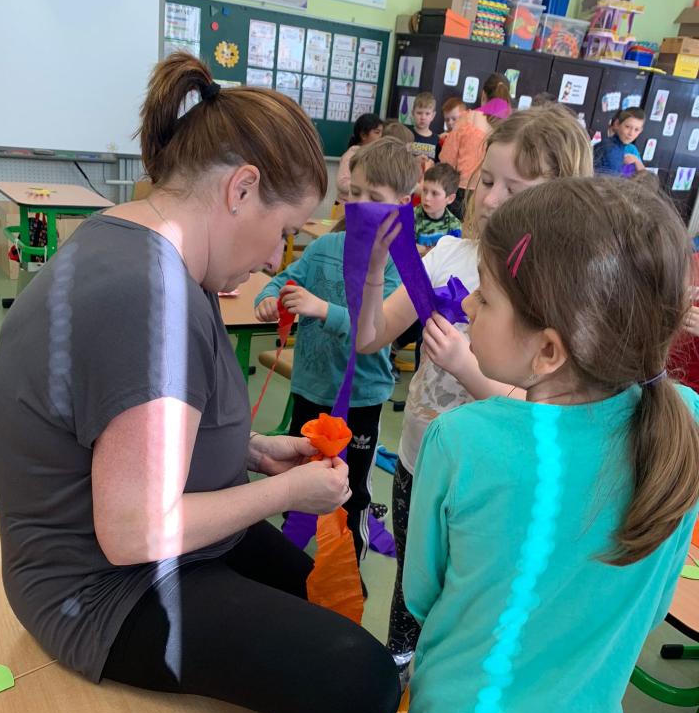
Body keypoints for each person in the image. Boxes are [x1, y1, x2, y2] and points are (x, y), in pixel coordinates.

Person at [0, 52, 400, 713]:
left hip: (143, 549)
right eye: (282, 231)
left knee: (316, 593)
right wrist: (286, 492)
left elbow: (131, 426)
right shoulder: (149, 297)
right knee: (366, 683)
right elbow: (132, 531)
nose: (275, 258)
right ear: (240, 189)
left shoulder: (146, 247)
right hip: (100, 592)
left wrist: (254, 450)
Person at [376, 175, 699, 713]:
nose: (468, 313)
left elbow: (421, 596)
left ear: (548, 350)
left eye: (484, 300)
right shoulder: (685, 424)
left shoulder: (463, 440)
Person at [355, 106, 593, 683]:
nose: (490, 200)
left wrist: (467, 368)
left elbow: (548, 412)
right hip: (419, 462)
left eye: (515, 189)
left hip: (492, 480)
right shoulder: (449, 256)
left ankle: (442, 690)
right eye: (486, 180)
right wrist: (376, 266)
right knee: (410, 590)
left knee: (469, 602)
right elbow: (369, 337)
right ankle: (396, 680)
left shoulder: (558, 293)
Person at [254, 138, 417, 562]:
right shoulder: (325, 247)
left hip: (360, 400)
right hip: (311, 389)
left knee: (351, 490)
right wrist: (269, 298)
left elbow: (377, 329)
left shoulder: (400, 265)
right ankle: (291, 556)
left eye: (374, 197)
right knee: (298, 474)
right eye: (354, 193)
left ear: (401, 205)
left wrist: (322, 309)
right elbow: (284, 280)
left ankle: (349, 568)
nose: (359, 205)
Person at [439, 73, 513, 212]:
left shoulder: (469, 118)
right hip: (494, 194)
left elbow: (447, 159)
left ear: (483, 94)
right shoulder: (511, 126)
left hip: (462, 191)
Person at [336, 112, 384, 202]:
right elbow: (342, 182)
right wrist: (366, 187)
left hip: (359, 205)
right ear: (363, 135)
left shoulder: (374, 155)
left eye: (382, 133)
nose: (381, 136)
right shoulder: (351, 155)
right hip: (344, 206)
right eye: (377, 132)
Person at [414, 162, 461, 248]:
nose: (427, 198)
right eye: (424, 190)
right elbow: (403, 248)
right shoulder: (411, 217)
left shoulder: (454, 226)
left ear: (450, 199)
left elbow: (451, 253)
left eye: (434, 193)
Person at [593, 107, 645, 175]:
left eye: (636, 130)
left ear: (640, 131)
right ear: (617, 124)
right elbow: (610, 181)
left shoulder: (622, 148)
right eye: (627, 127)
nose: (631, 133)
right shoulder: (610, 149)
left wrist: (636, 161)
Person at [409, 92, 441, 164]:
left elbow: (438, 165)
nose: (423, 117)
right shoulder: (406, 135)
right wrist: (414, 161)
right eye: (419, 113)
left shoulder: (437, 140)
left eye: (427, 114)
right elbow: (399, 160)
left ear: (433, 115)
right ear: (413, 113)